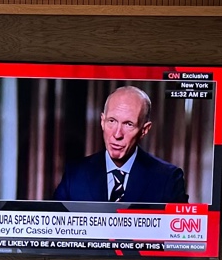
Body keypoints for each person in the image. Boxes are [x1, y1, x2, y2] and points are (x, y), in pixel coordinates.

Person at [52, 85, 187, 204]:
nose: (117, 135)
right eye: (111, 121)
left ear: (144, 130)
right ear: (102, 121)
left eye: (128, 124)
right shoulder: (76, 174)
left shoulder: (168, 179)